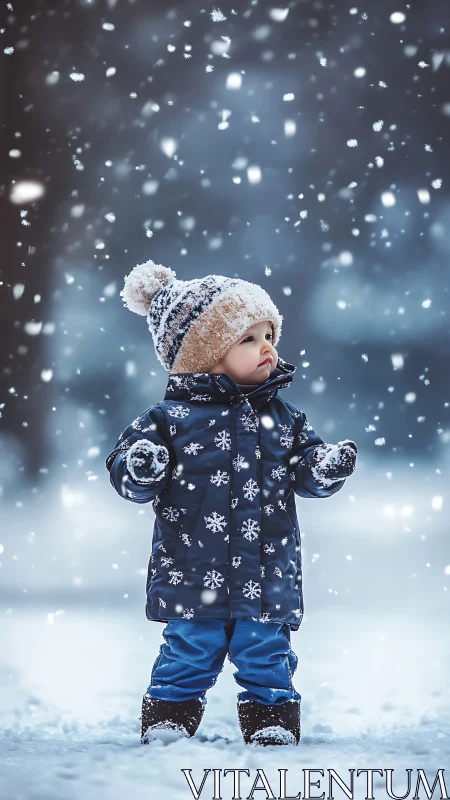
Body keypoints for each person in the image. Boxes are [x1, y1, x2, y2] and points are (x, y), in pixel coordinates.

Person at [105, 260, 357, 746]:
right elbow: (127, 475)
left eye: (269, 335)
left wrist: (324, 468)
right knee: (188, 649)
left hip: (266, 569)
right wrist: (142, 466)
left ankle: (271, 720)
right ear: (207, 354)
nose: (268, 348)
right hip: (191, 569)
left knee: (266, 650)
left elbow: (305, 469)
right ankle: (169, 718)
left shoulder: (284, 418)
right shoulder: (169, 420)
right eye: (249, 339)